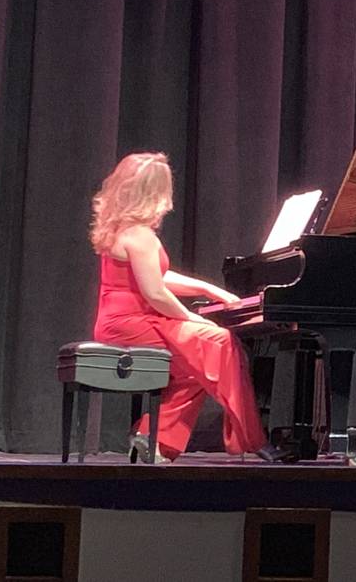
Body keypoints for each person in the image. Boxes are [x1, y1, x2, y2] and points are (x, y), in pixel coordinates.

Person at [90, 152, 285, 462]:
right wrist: (194, 318)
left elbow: (155, 275)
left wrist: (209, 288)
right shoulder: (140, 236)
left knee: (197, 371)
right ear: (154, 193)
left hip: (119, 322)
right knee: (221, 343)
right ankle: (252, 440)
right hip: (135, 324)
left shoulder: (122, 229)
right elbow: (155, 293)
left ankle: (151, 437)